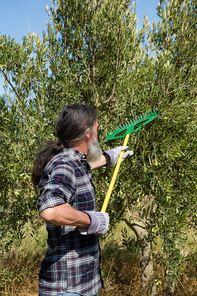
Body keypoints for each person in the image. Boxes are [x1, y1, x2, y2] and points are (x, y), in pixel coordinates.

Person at [32, 104, 133, 296]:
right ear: (87, 133)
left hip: (80, 284)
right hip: (67, 287)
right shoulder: (64, 164)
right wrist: (92, 220)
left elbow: (80, 169)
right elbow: (51, 210)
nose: (98, 131)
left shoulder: (73, 161)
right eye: (96, 127)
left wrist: (109, 157)